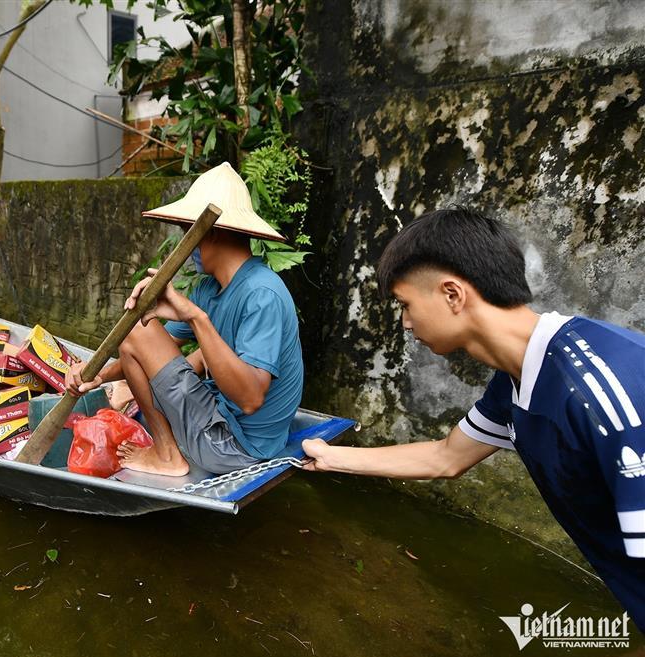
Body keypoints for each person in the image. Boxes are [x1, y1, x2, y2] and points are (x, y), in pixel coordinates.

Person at [301, 207, 644, 630]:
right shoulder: (516, 378)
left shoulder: (605, 389)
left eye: (405, 304)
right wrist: (332, 458)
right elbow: (446, 457)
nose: (405, 323)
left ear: (452, 294)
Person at [65, 163, 304, 477]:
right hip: (220, 423)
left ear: (211, 232)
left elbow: (249, 400)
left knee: (137, 332)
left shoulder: (262, 294)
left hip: (235, 448)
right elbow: (145, 350)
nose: (184, 245)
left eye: (186, 233)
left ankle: (167, 455)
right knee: (139, 329)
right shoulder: (210, 287)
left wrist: (195, 317)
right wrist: (99, 376)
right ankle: (167, 449)